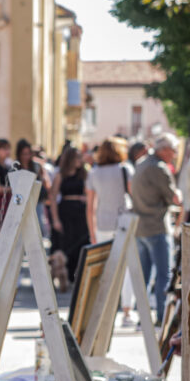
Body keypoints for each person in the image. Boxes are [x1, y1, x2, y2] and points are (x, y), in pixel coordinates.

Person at [131, 133, 182, 324]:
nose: (175, 155)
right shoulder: (158, 168)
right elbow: (173, 198)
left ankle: (143, 316)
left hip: (141, 227)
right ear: (165, 150)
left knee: (144, 276)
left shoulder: (142, 162)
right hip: (157, 227)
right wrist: (178, 194)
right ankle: (162, 316)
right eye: (174, 151)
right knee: (164, 275)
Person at [86, 138, 135, 324]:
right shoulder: (125, 169)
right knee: (127, 269)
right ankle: (127, 311)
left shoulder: (94, 173)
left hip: (102, 225)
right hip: (123, 222)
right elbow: (134, 197)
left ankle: (104, 312)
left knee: (106, 269)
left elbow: (91, 207)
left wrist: (92, 232)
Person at [48, 146, 91, 283]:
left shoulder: (84, 174)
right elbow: (53, 198)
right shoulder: (60, 175)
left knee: (81, 243)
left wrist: (86, 198)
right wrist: (55, 219)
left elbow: (90, 192)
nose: (80, 160)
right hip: (66, 211)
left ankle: (76, 276)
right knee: (65, 243)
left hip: (81, 212)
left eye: (80, 157)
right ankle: (63, 276)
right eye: (77, 157)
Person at [15, 139, 50, 237]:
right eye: (23, 154)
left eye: (28, 153)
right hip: (20, 201)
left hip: (36, 200)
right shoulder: (15, 167)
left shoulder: (36, 166)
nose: (26, 157)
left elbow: (43, 181)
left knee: (37, 227)